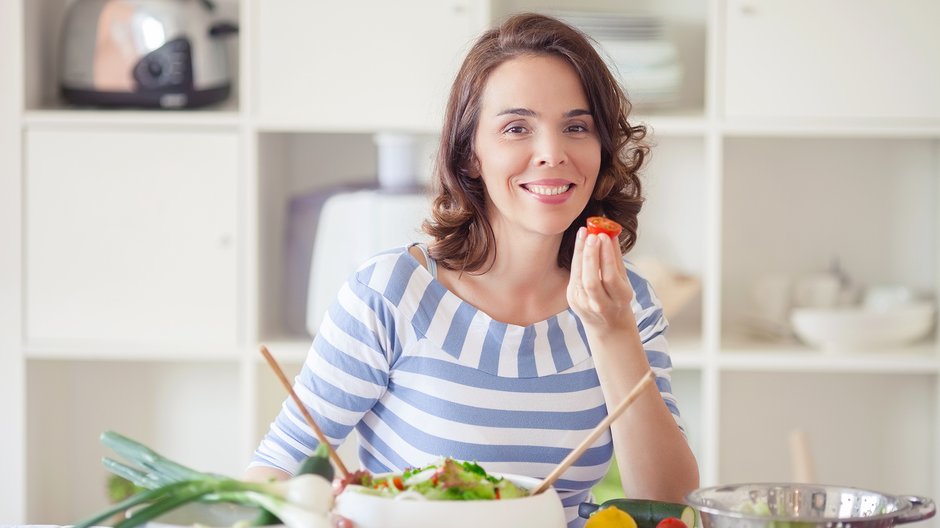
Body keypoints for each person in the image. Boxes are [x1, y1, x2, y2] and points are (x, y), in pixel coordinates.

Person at [246, 12, 699, 527]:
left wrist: (612, 331)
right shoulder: (393, 293)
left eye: (577, 127)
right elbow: (275, 470)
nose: (552, 154)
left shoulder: (625, 300)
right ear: (470, 155)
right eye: (516, 128)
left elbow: (671, 507)